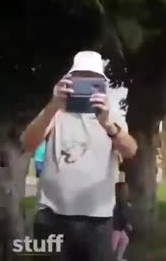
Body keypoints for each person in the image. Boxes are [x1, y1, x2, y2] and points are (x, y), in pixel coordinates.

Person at [20, 51, 138, 261]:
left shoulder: (112, 116)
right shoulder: (55, 112)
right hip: (51, 217)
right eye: (79, 77)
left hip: (98, 221)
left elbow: (130, 150)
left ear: (102, 83)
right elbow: (27, 143)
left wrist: (108, 125)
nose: (85, 84)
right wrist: (52, 106)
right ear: (70, 80)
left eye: (92, 79)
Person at [112, 182, 133, 261]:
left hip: (119, 228)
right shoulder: (116, 202)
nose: (127, 190)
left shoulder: (123, 201)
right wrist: (126, 224)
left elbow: (125, 211)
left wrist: (129, 207)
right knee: (112, 247)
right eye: (125, 189)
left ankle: (119, 258)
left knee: (125, 240)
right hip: (115, 229)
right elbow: (120, 215)